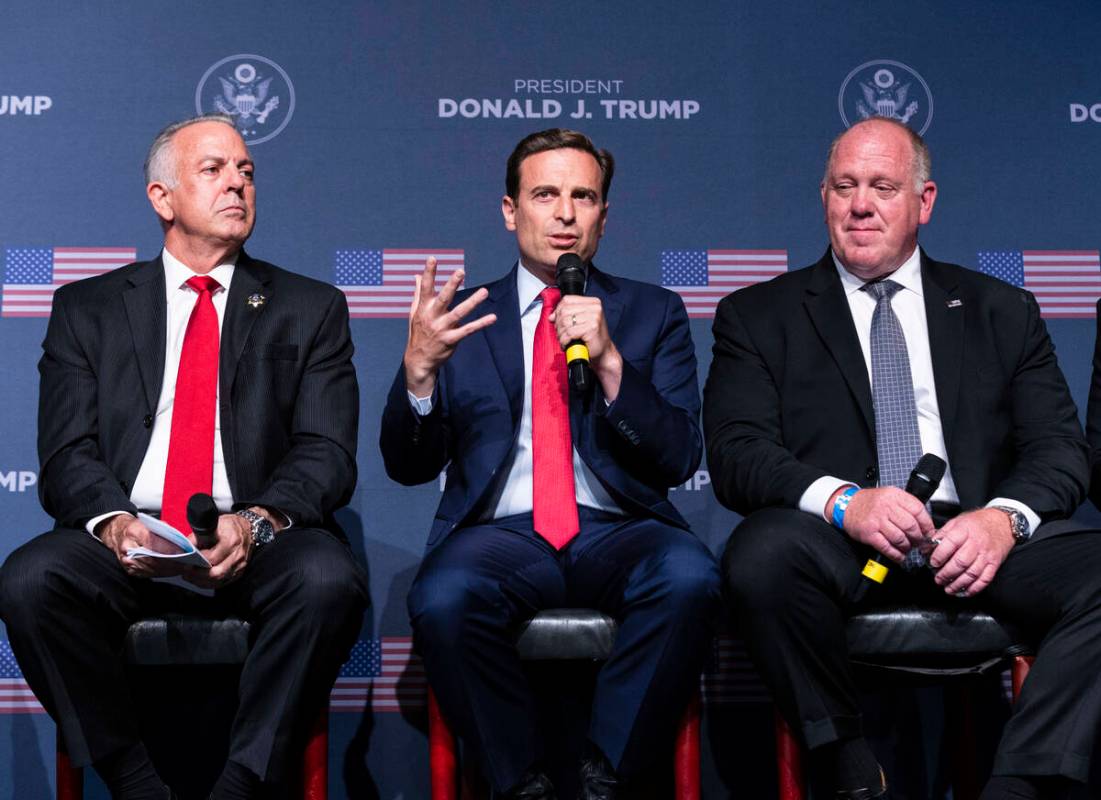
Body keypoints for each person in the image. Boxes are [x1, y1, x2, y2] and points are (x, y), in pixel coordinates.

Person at [704, 116, 1101, 800]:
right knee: (760, 556)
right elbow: (738, 453)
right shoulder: (756, 315)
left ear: (923, 202)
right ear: (822, 197)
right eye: (844, 186)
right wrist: (844, 502)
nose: (859, 204)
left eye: (882, 187)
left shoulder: (999, 309)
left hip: (976, 539)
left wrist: (1001, 520)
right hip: (842, 544)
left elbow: (1060, 449)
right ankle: (847, 764)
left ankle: (1020, 786)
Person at [0, 114, 368, 800]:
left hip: (253, 536)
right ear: (161, 198)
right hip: (131, 537)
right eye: (214, 169)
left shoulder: (309, 306)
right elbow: (66, 452)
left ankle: (241, 783)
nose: (237, 183)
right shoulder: (87, 308)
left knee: (326, 580)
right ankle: (135, 781)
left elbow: (325, 454)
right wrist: (113, 522)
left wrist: (256, 522)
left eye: (246, 171)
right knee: (31, 580)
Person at [380, 128, 720, 800]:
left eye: (582, 197)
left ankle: (604, 775)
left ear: (602, 216)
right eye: (545, 194)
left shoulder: (652, 312)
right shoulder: (462, 317)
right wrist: (417, 373)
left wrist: (613, 362)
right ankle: (521, 783)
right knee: (443, 597)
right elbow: (407, 466)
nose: (564, 213)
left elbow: (680, 454)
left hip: (619, 527)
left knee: (689, 578)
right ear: (511, 210)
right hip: (499, 534)